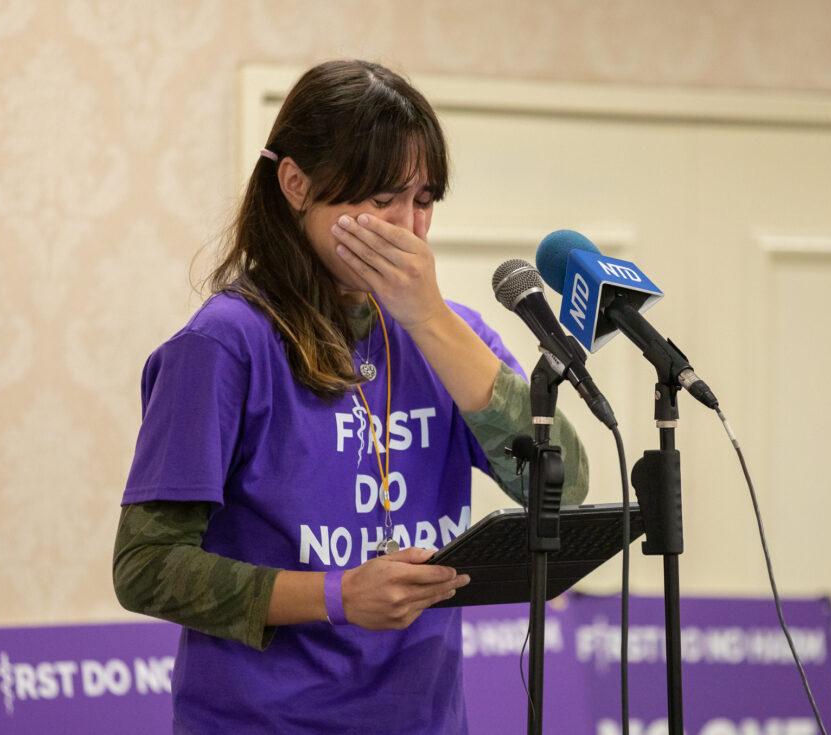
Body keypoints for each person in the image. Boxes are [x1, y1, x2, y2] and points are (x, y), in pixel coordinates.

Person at [113, 59, 589, 734]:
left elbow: (562, 486)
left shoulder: (451, 334)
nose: (406, 229)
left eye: (423, 201)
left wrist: (427, 318)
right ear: (296, 184)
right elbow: (146, 566)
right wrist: (337, 595)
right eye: (379, 200)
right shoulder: (225, 342)